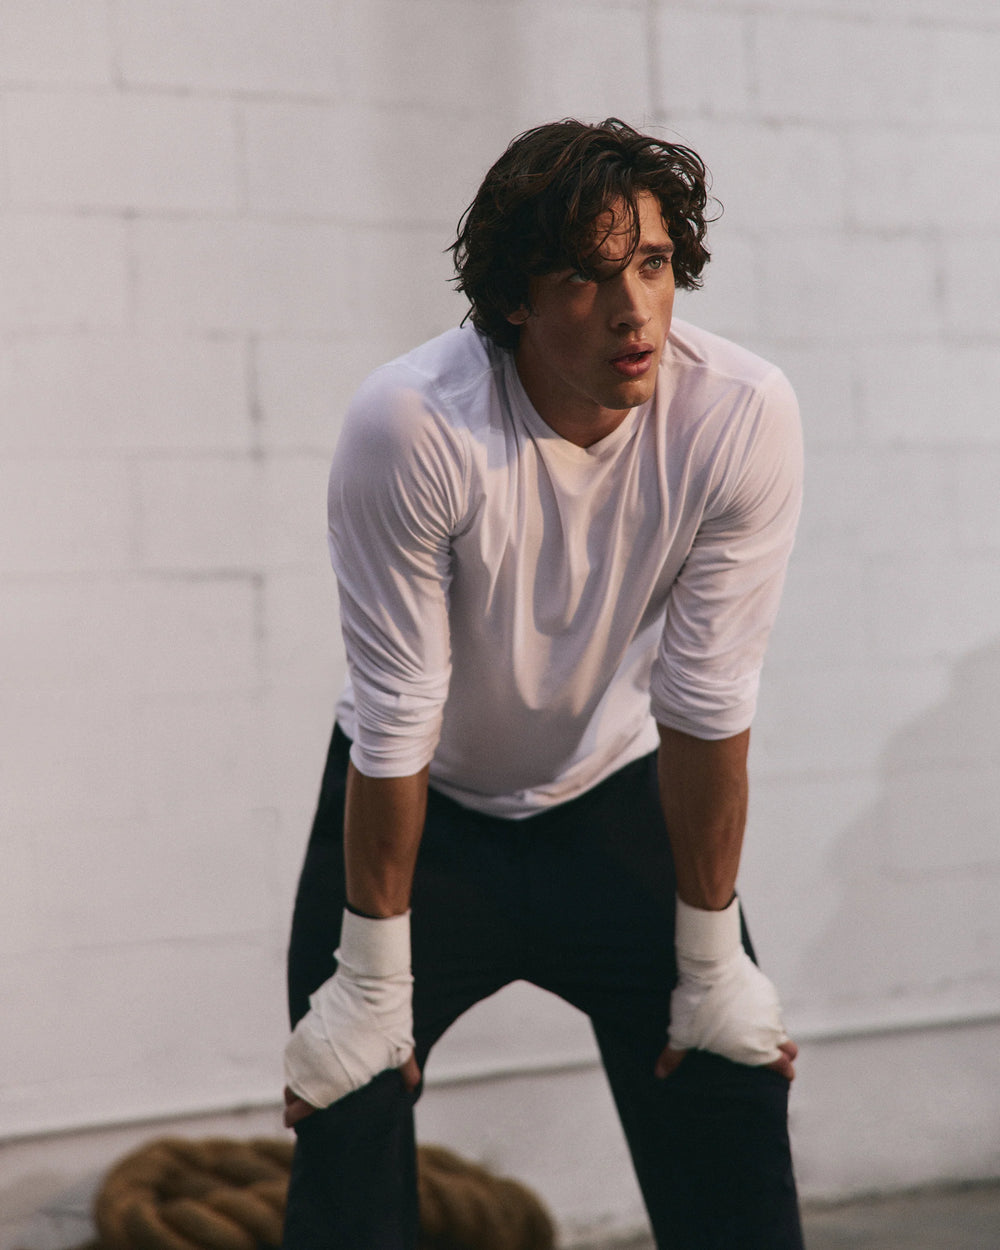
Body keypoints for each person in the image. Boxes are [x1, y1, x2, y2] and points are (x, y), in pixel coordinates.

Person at [281, 117, 804, 1250]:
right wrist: (373, 980)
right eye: (587, 274)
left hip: (616, 799)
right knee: (345, 1102)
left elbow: (707, 697)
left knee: (729, 1081)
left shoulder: (738, 413)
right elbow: (397, 705)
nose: (635, 310)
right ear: (516, 296)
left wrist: (712, 959)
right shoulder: (415, 423)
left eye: (654, 265)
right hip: (422, 811)